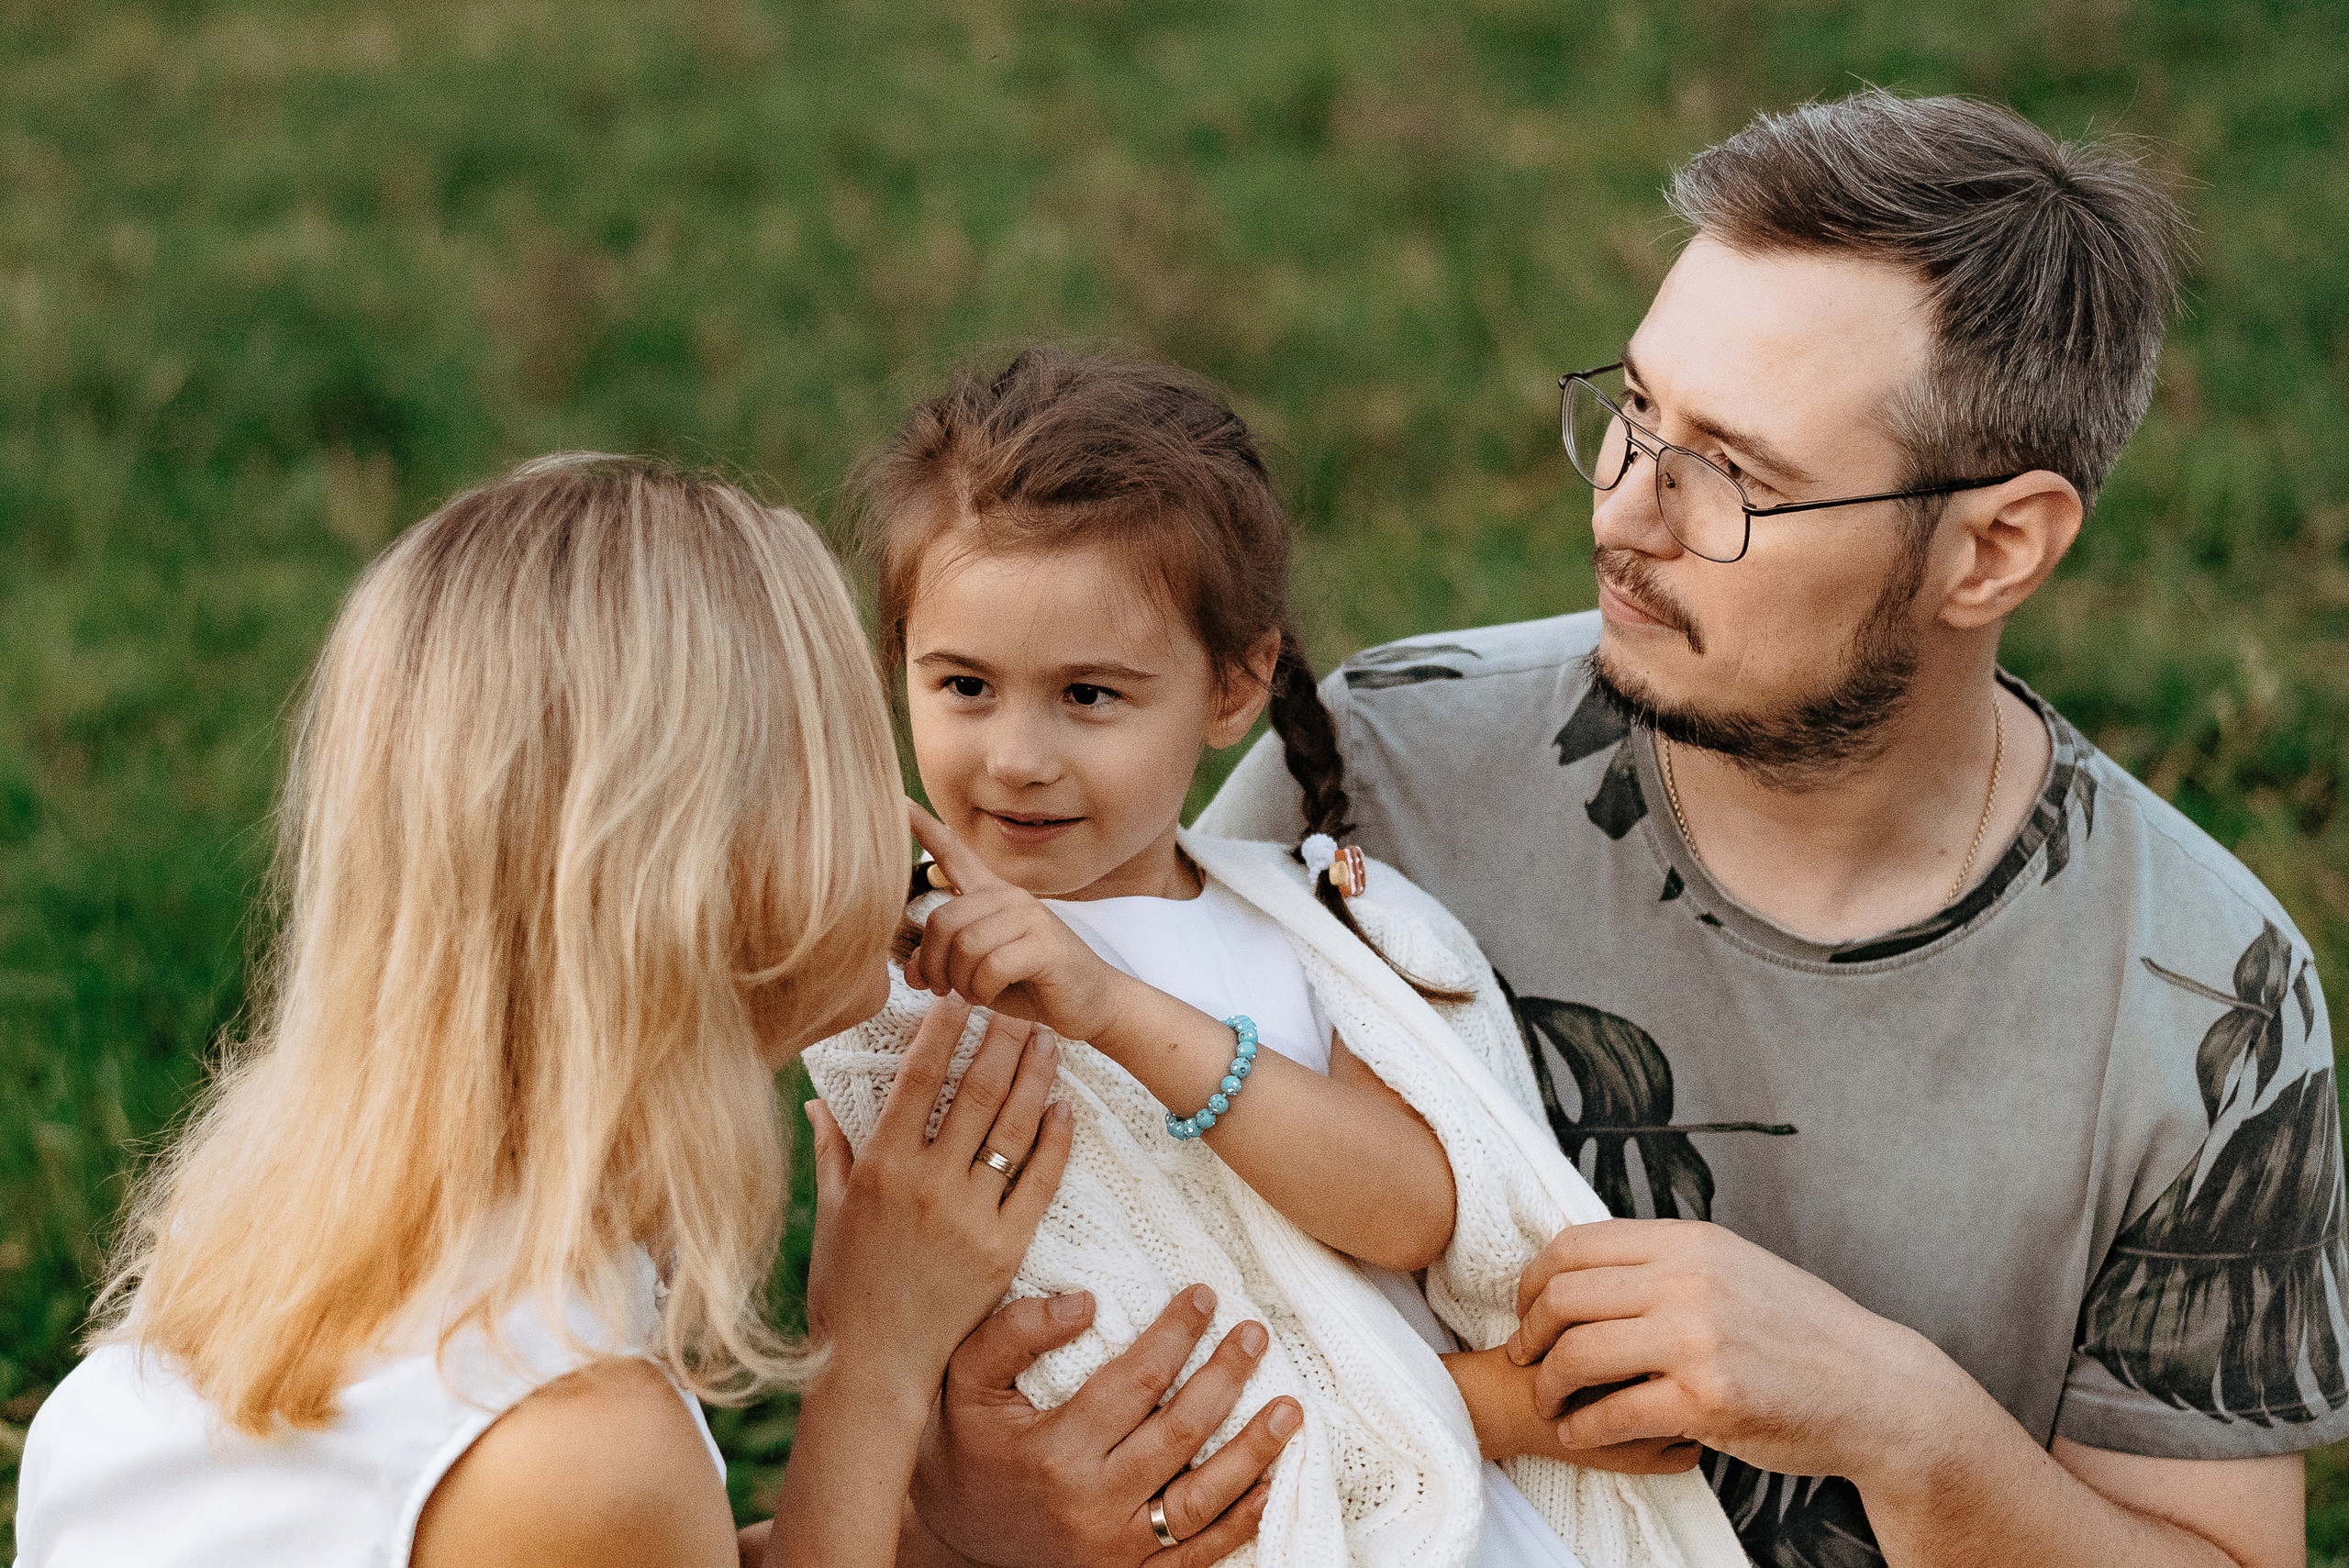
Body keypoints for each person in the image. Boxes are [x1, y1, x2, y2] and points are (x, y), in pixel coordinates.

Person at [905, 91, 2343, 1568]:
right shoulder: (1385, 765)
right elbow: (1120, 1245)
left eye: (1734, 474)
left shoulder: (2199, 993)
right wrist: (972, 1514)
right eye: (1637, 412)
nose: (1626, 512)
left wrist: (1900, 1419)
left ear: (1995, 547)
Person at [15, 453, 1106, 1568]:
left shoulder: (280, 1279)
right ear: (707, 866)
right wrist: (874, 1359)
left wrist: (948, 1537)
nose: (897, 812)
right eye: (839, 757)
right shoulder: (578, 1449)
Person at [810, 347, 1745, 1567]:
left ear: (1232, 686)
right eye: (966, 685)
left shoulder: (1314, 925)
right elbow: (1038, 1375)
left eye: (1089, 695)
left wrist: (1114, 1010)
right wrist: (1499, 1404)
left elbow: (1414, 1209)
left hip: (1444, 1526)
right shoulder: (897, 996)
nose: (1018, 755)